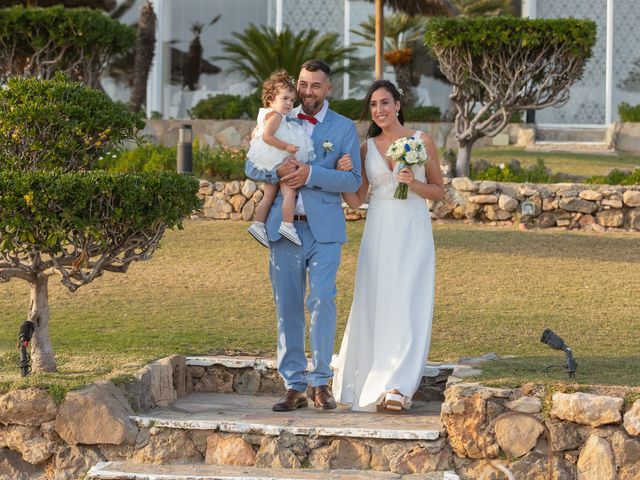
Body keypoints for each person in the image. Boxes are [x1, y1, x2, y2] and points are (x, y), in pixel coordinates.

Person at [244, 60, 362, 412]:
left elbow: (353, 181)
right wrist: (275, 168)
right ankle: (293, 385)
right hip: (284, 230)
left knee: (323, 300)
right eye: (303, 84)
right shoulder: (278, 115)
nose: (307, 91)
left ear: (328, 89)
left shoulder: (343, 128)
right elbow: (251, 164)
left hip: (325, 229)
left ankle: (321, 381)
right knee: (288, 306)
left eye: (315, 85)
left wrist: (311, 173)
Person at [332, 80, 445, 412]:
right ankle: (373, 375)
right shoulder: (366, 149)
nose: (379, 110)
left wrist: (416, 184)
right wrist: (341, 176)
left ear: (398, 104)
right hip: (379, 230)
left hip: (412, 229)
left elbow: (439, 191)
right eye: (373, 105)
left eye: (384, 102)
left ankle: (399, 386)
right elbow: (356, 201)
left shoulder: (421, 140)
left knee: (408, 300)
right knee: (376, 301)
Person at [247, 71, 315, 247]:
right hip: (276, 158)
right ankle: (287, 225)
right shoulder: (276, 116)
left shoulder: (274, 115)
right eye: (285, 98)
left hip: (270, 159)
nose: (289, 103)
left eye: (292, 100)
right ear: (270, 100)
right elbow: (267, 136)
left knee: (269, 194)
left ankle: (259, 225)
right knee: (289, 192)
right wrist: (286, 147)